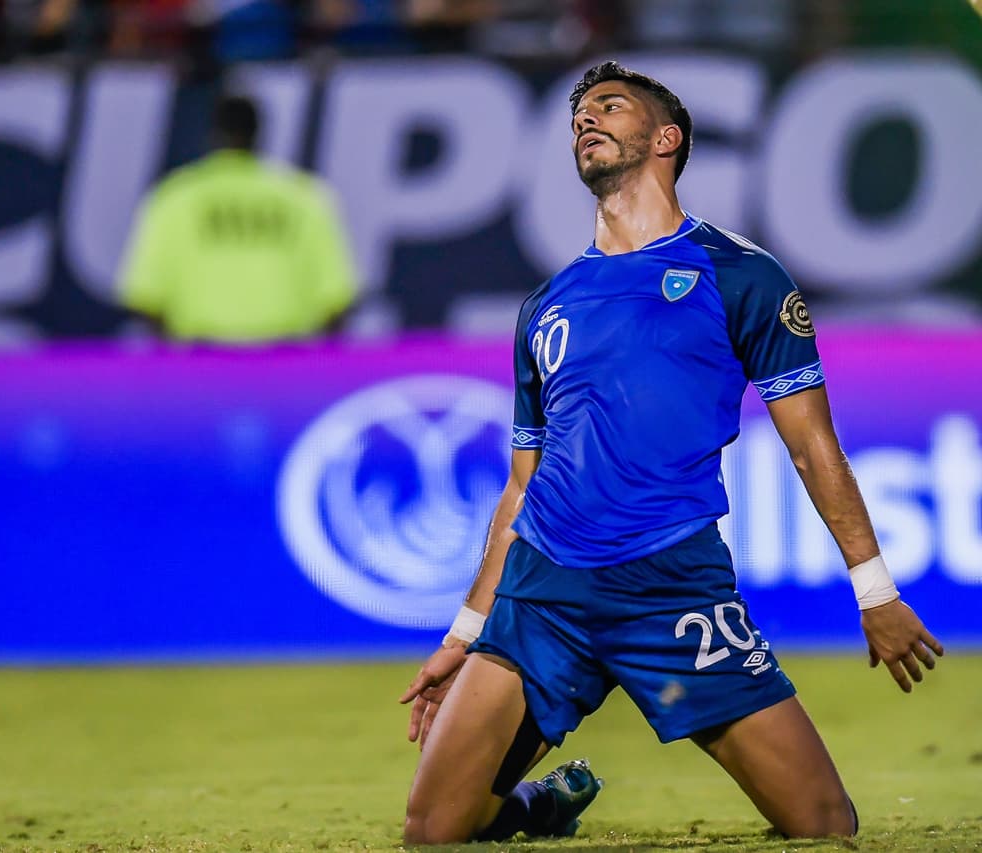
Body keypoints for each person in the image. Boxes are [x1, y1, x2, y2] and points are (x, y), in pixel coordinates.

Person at [397, 60, 945, 845]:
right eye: (579, 114)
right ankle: (537, 808)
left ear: (666, 138)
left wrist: (875, 590)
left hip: (673, 589)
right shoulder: (546, 306)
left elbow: (812, 444)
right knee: (431, 830)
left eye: (608, 107)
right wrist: (463, 630)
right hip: (543, 592)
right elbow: (522, 484)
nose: (586, 119)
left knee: (823, 823)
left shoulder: (741, 275)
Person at [118, 93, 357, 343]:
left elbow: (146, 298)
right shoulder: (304, 196)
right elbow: (336, 302)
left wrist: (176, 362)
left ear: (213, 134)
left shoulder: (174, 198)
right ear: (259, 134)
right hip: (284, 360)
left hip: (202, 359)